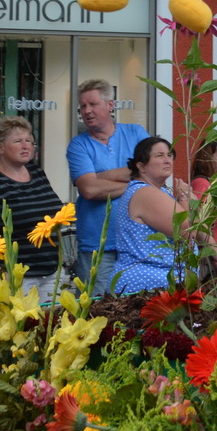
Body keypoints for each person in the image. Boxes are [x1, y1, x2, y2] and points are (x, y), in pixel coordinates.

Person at [0, 117, 67, 302]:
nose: (26, 146)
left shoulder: (38, 174)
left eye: (29, 141)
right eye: (18, 141)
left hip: (51, 273)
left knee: (53, 327)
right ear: (0, 148)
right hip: (16, 277)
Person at [66, 79, 148, 294]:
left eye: (93, 104)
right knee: (94, 311)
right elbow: (89, 190)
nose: (87, 111)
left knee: (135, 308)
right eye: (83, 106)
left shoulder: (135, 134)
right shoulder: (79, 145)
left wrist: (99, 176)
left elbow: (153, 172)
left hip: (137, 242)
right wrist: (136, 182)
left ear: (110, 105)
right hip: (97, 246)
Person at [111, 136, 197, 295]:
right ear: (141, 166)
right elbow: (186, 231)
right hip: (148, 287)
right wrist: (186, 198)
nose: (167, 160)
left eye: (169, 155)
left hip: (158, 284)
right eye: (159, 156)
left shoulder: (156, 191)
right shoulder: (145, 192)